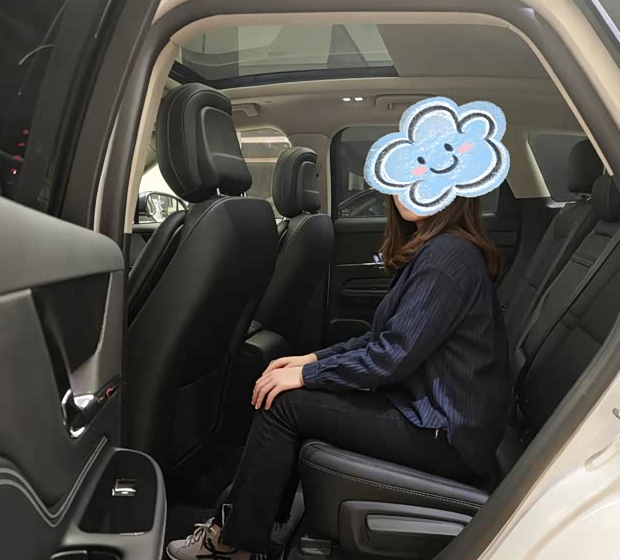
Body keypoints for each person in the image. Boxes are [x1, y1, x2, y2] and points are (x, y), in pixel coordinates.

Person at [167, 194, 510, 560]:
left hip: (446, 435)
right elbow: (383, 339)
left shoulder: (447, 256)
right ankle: (251, 528)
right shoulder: (437, 250)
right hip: (430, 415)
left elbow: (390, 357)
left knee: (283, 405)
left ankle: (232, 543)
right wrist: (311, 359)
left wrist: (308, 375)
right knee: (290, 395)